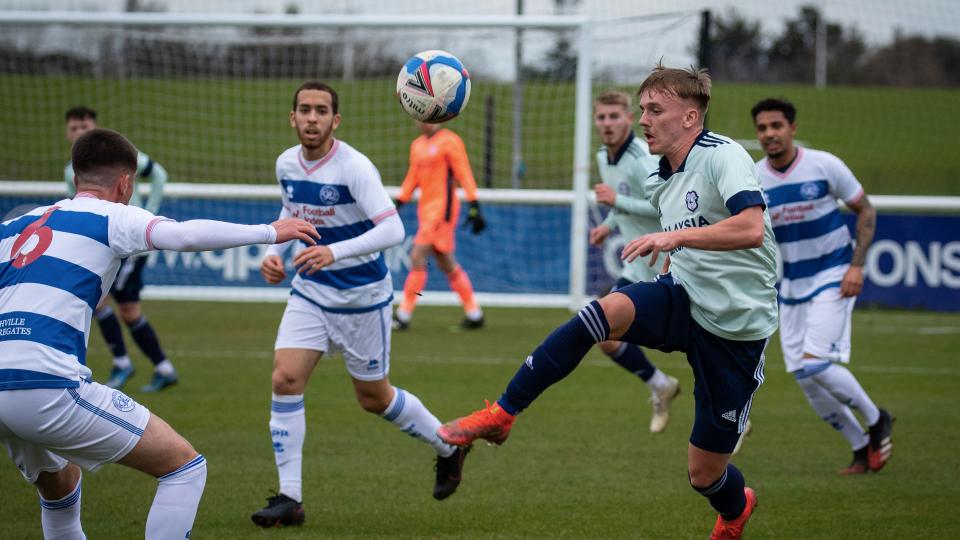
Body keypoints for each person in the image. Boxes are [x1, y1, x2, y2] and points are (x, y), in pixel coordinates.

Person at [438, 64, 780, 540]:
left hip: (736, 329)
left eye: (654, 110)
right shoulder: (662, 174)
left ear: (690, 117)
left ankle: (736, 509)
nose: (643, 120)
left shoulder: (724, 155)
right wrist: (671, 249)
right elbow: (686, 227)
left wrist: (673, 237)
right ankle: (502, 415)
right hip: (684, 297)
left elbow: (750, 228)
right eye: (642, 109)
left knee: (704, 475)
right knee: (599, 316)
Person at [0, 128, 319, 539]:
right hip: (45, 386)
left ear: (75, 176)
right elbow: (184, 235)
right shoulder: (113, 215)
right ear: (125, 183)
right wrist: (270, 231)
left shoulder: (17, 226)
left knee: (61, 486)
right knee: (184, 467)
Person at [250, 82, 470, 528]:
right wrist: (272, 253)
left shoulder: (354, 167)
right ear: (293, 118)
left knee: (374, 398)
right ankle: (290, 498)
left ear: (336, 121)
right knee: (285, 378)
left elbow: (392, 230)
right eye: (305, 110)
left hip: (361, 299)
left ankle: (449, 445)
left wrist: (334, 252)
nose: (312, 118)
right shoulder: (286, 163)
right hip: (311, 292)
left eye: (321, 111)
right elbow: (290, 211)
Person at [751, 97, 893, 474]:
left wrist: (856, 267)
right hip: (791, 285)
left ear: (792, 128)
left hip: (833, 273)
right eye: (762, 128)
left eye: (776, 126)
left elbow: (865, 209)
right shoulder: (753, 178)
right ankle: (860, 447)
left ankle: (877, 419)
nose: (769, 134)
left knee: (815, 363)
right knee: (805, 377)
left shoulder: (824, 164)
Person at [63, 106, 177, 393]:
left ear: (95, 128)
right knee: (103, 303)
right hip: (104, 243)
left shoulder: (119, 157)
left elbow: (159, 174)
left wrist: (149, 212)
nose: (80, 132)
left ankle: (151, 366)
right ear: (67, 133)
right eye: (74, 128)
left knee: (125, 309)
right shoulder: (70, 171)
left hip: (129, 244)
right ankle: (135, 364)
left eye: (85, 127)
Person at [589, 90, 680, 433]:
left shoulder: (643, 159)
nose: (607, 123)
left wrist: (617, 202)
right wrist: (608, 224)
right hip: (637, 267)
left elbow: (661, 206)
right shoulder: (603, 156)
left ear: (629, 119)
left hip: (671, 266)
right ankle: (661, 385)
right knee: (605, 334)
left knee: (701, 349)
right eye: (602, 117)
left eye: (615, 116)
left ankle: (732, 415)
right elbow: (626, 201)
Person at [392, 121, 486, 331]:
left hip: (442, 211)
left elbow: (463, 172)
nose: (425, 121)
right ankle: (474, 313)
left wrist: (474, 203)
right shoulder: (417, 145)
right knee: (446, 262)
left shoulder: (450, 141)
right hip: (426, 212)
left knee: (417, 256)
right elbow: (413, 177)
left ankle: (403, 314)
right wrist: (399, 202)